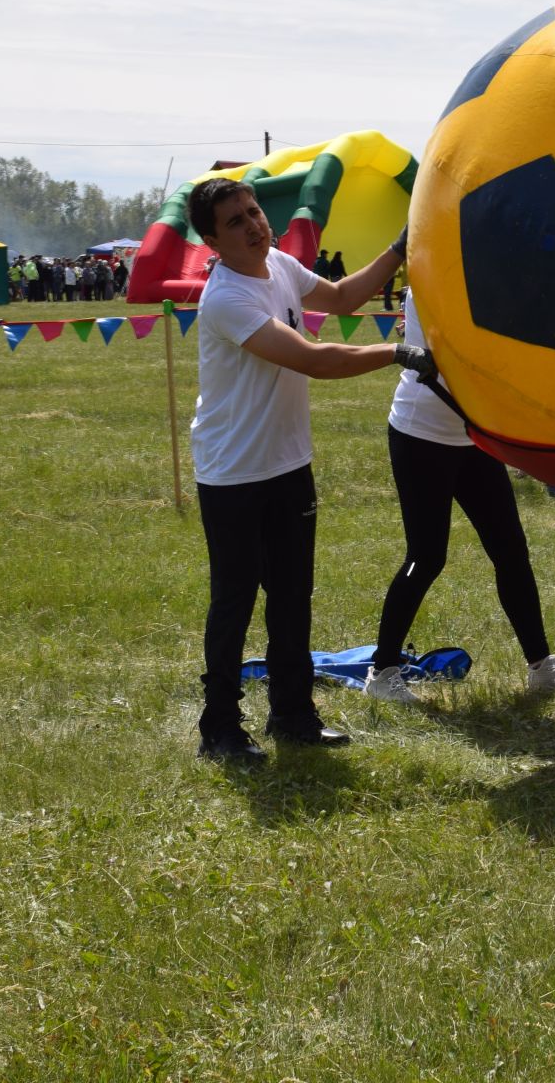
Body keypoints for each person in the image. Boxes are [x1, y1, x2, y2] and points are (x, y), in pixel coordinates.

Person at [187, 175, 431, 764]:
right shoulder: (225, 299)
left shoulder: (277, 263)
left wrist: (401, 247)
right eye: (236, 221)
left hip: (288, 465)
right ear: (212, 241)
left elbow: (345, 297)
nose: (253, 225)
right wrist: (398, 351)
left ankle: (293, 716)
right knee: (235, 601)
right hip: (233, 475)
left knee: (293, 596)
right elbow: (313, 359)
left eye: (253, 212)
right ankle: (219, 729)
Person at [362, 286, 555, 705]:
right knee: (426, 556)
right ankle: (382, 672)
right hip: (422, 435)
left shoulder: (490, 274)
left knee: (510, 550)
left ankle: (541, 667)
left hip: (471, 438)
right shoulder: (438, 276)